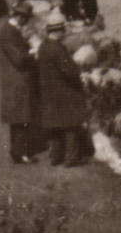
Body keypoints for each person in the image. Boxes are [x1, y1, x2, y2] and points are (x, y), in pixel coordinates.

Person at [37, 12, 89, 166]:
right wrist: (79, 71)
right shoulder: (57, 49)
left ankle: (55, 156)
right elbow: (69, 70)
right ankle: (71, 157)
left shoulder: (44, 46)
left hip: (49, 91)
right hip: (64, 91)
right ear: (59, 30)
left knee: (55, 126)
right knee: (70, 125)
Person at [0, 1, 41, 164]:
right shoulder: (8, 33)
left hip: (16, 81)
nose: (27, 22)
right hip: (17, 81)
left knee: (20, 118)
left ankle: (19, 151)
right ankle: (21, 154)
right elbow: (19, 59)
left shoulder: (10, 30)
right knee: (20, 119)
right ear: (20, 17)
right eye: (26, 18)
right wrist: (33, 53)